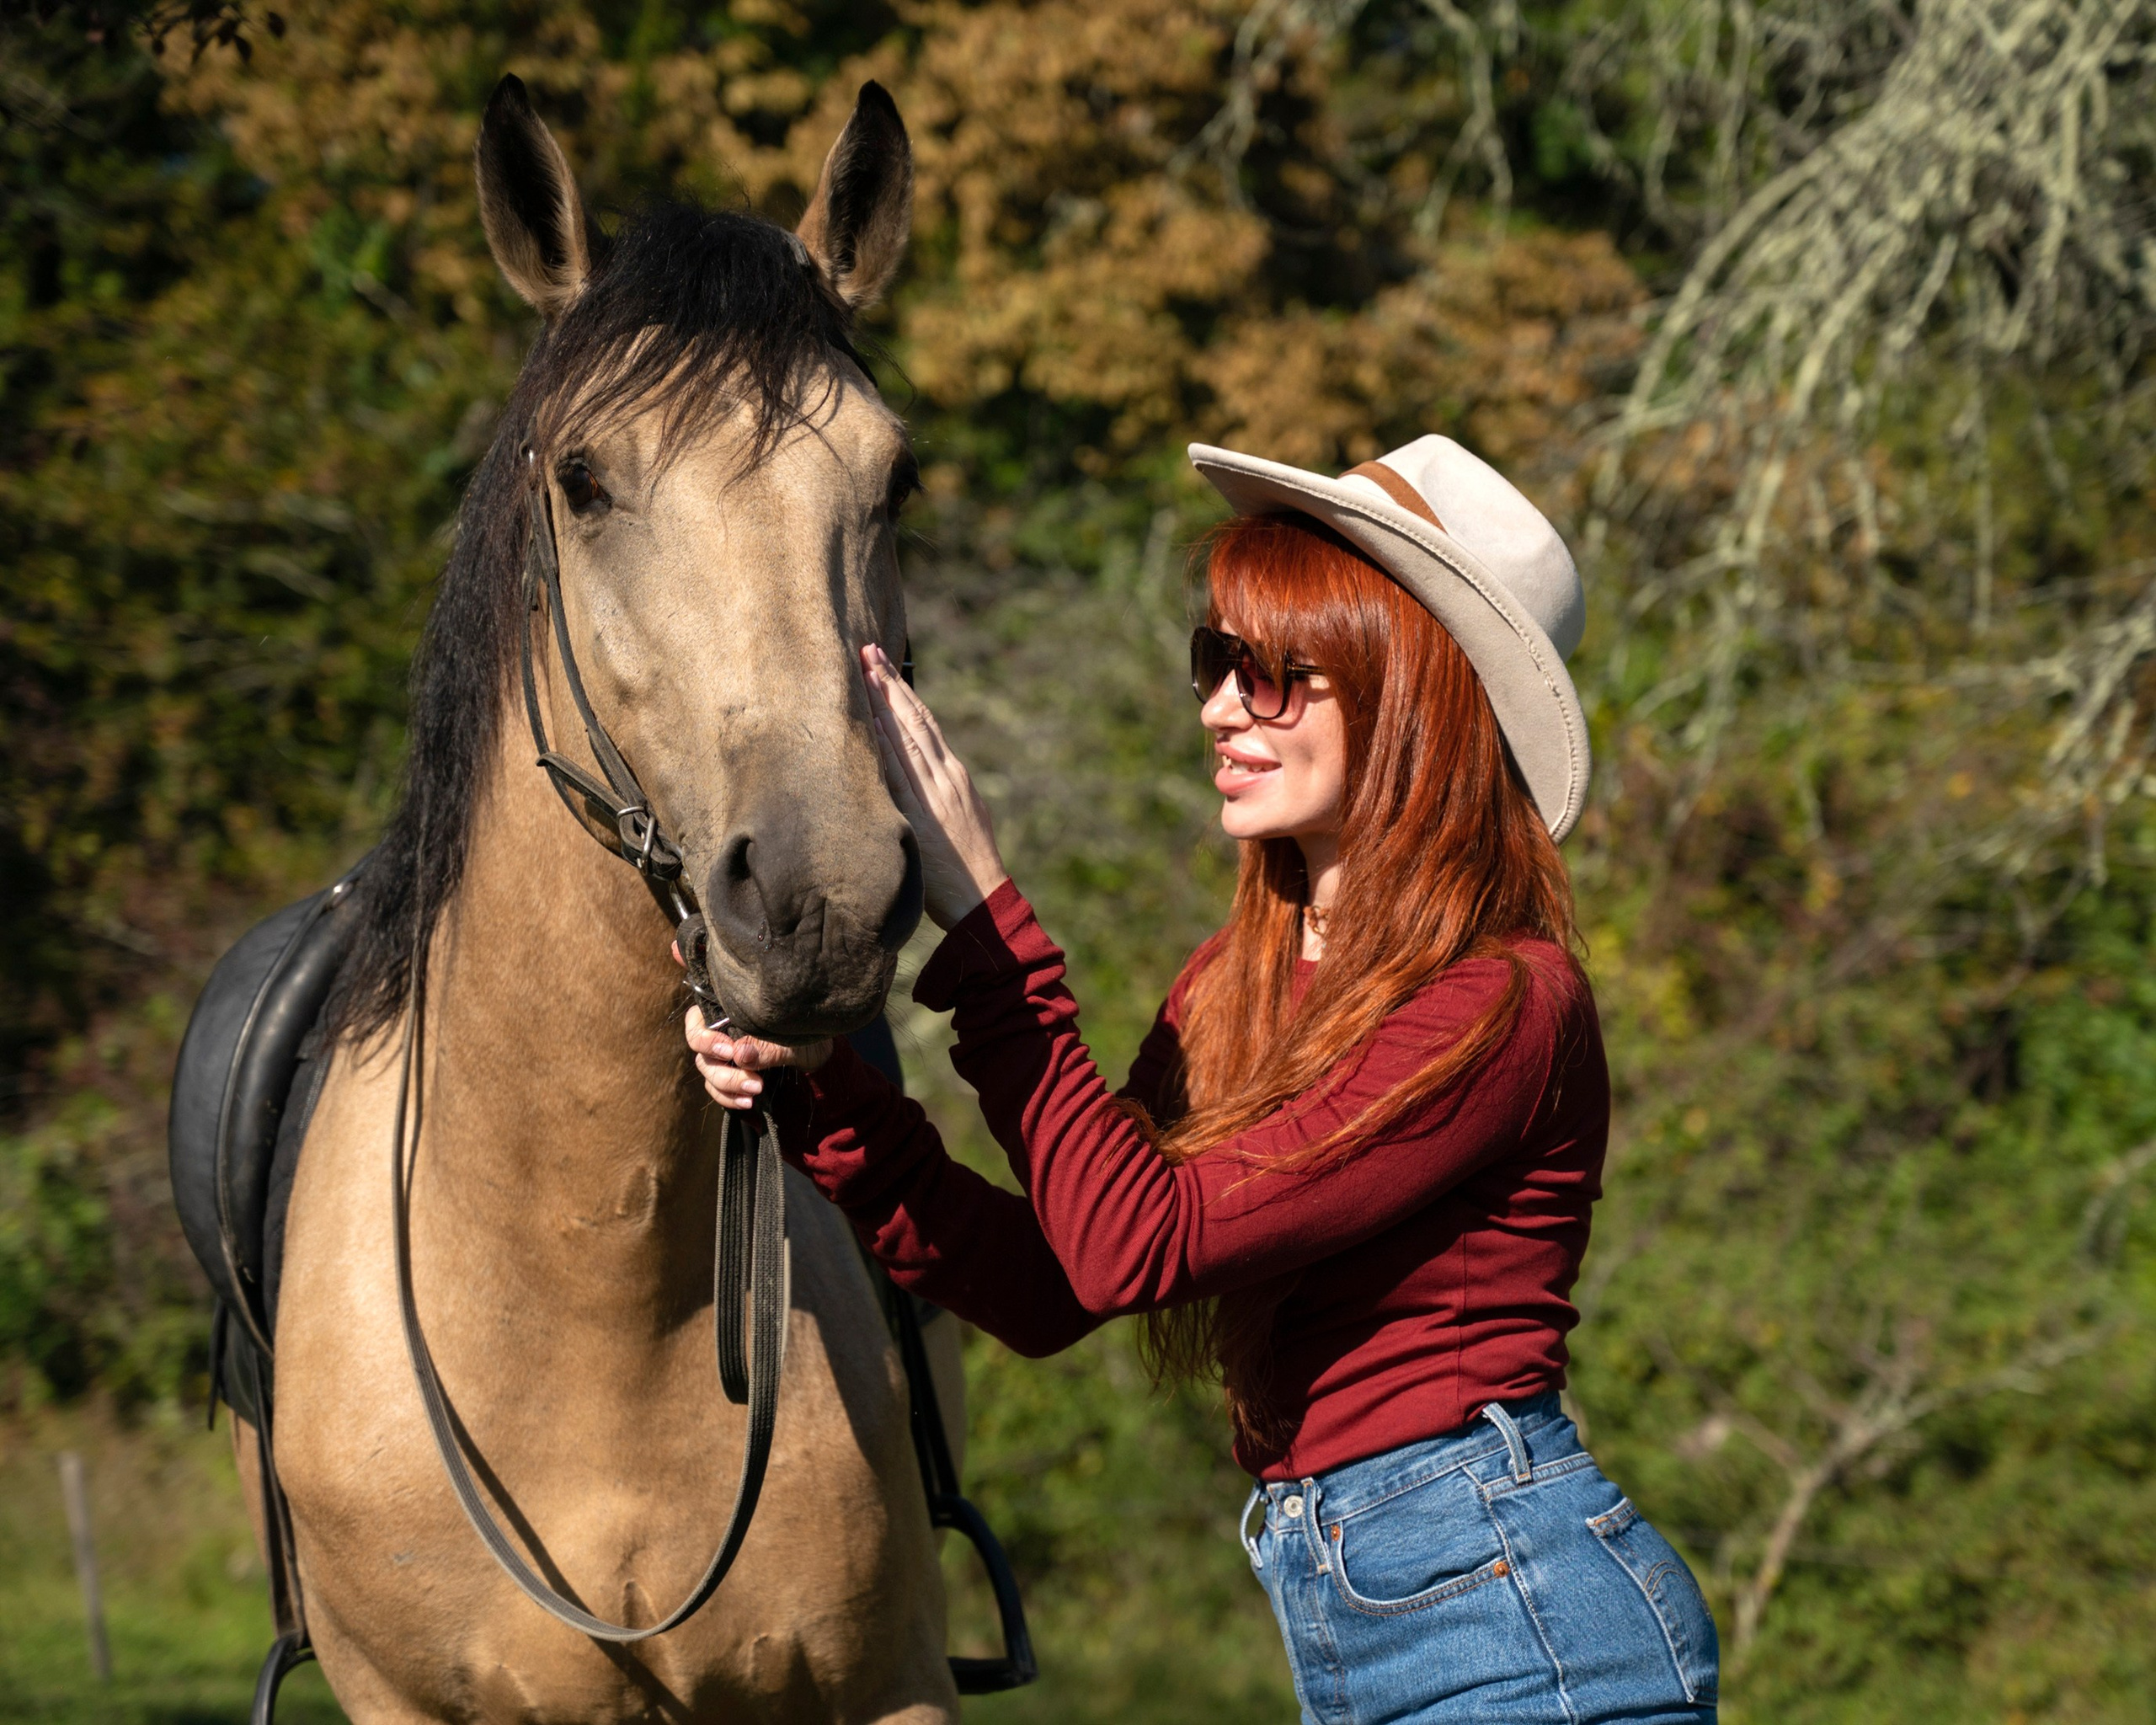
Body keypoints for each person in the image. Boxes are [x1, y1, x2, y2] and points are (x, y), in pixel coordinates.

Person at [686, 436, 1720, 1723]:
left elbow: (1140, 1246)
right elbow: (1059, 1283)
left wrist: (991, 931)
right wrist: (820, 1091)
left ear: (1416, 697)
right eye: (1215, 662)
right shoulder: (1236, 984)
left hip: (1515, 1614)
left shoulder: (1501, 1004)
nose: (1222, 709)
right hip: (1367, 1599)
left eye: (1279, 672)